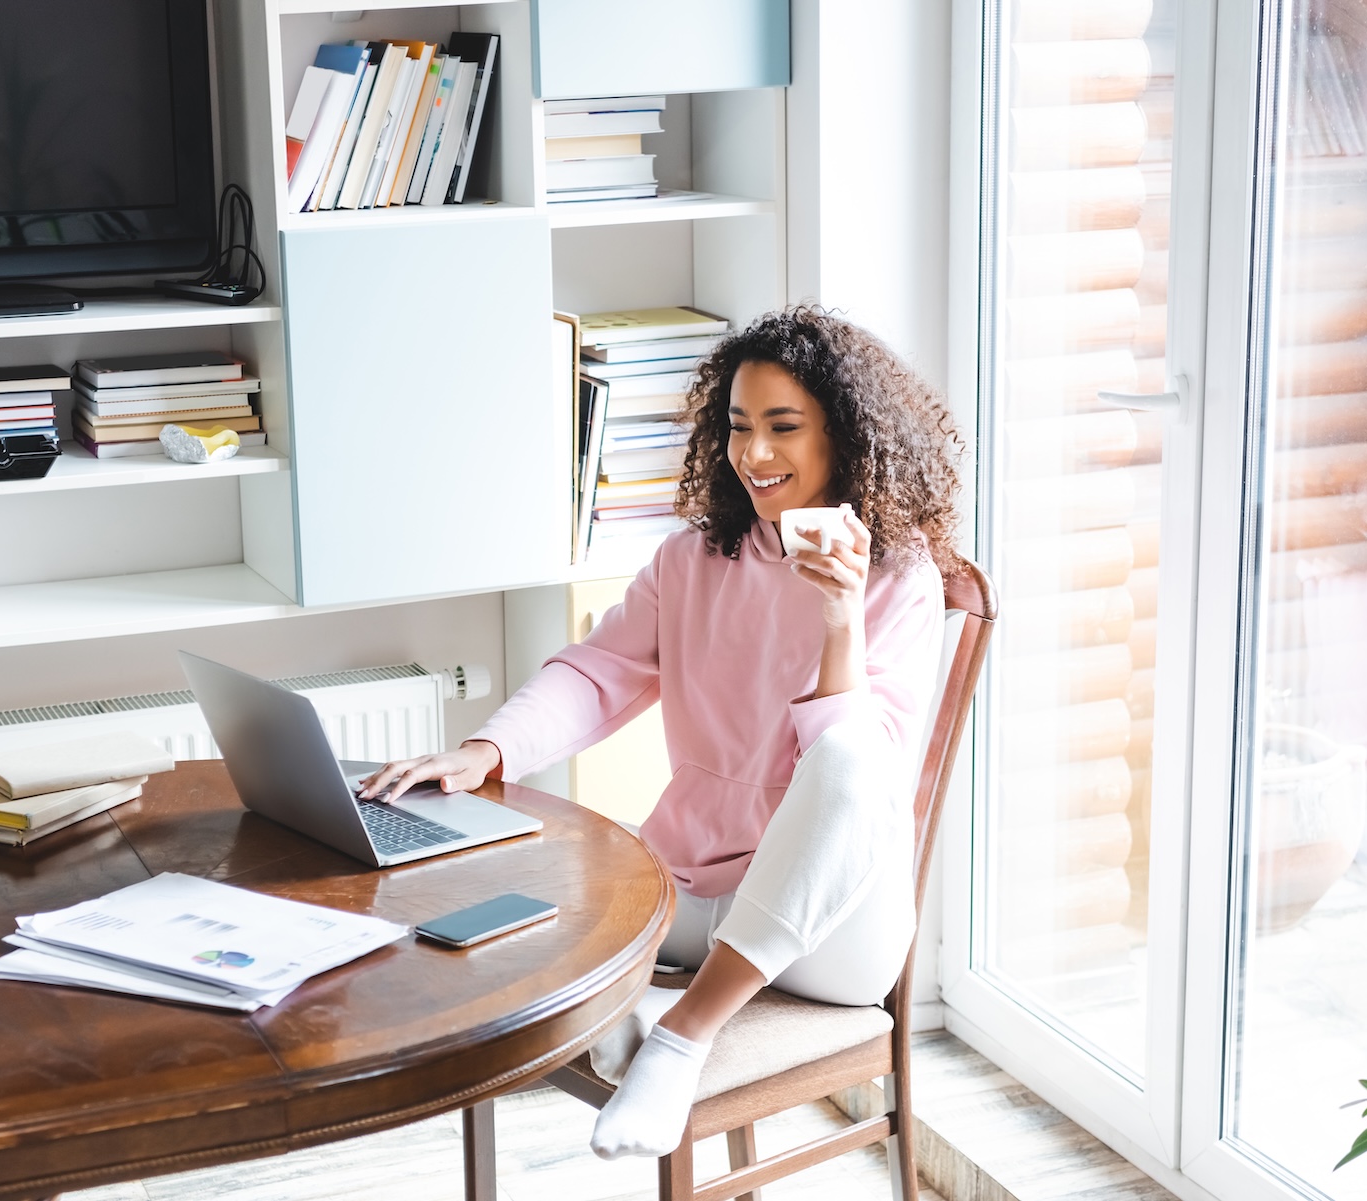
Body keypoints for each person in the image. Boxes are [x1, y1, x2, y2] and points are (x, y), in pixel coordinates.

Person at [359, 307, 964, 1159]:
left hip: (831, 930)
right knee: (502, 907)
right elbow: (597, 670)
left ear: (847, 437)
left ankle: (681, 1033)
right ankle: (635, 1011)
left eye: (783, 428)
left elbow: (864, 771)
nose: (753, 454)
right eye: (738, 427)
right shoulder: (693, 560)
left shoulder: (900, 578)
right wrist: (484, 752)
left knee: (853, 753)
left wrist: (839, 624)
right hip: (691, 891)